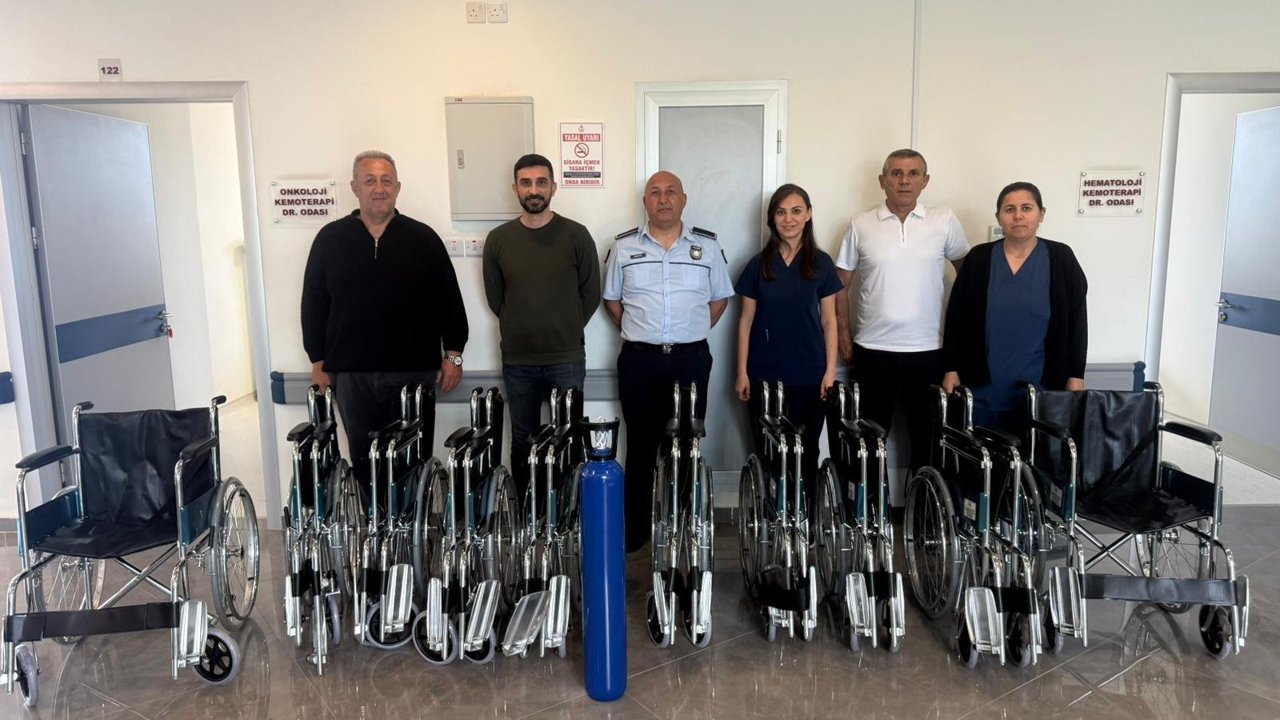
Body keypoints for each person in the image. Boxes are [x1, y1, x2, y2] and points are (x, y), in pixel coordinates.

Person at [301, 149, 468, 492]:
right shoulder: (330, 240)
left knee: (413, 465)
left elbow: (450, 300)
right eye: (370, 181)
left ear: (397, 188)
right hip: (352, 376)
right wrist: (317, 360)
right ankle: (374, 525)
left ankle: (413, 527)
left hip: (414, 373)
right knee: (366, 466)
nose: (379, 188)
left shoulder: (423, 239)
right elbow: (313, 305)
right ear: (355, 187)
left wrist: (454, 354)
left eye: (386, 181)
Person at [602, 171, 734, 554]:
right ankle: (637, 533)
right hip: (639, 361)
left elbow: (719, 299)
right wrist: (640, 332)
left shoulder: (707, 247)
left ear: (683, 199)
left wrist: (688, 333)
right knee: (641, 446)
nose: (663, 199)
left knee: (687, 444)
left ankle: (684, 527)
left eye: (671, 192)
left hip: (690, 360)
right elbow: (612, 301)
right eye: (655, 193)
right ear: (645, 201)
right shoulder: (624, 247)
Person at [834, 149, 969, 475]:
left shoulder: (944, 220)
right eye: (896, 173)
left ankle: (922, 507)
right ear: (883, 181)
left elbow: (968, 279)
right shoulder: (860, 223)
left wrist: (957, 339)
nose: (904, 180)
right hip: (872, 351)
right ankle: (870, 507)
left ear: (925, 181)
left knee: (928, 442)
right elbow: (839, 285)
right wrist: (844, 334)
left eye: (913, 173)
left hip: (929, 352)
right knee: (868, 443)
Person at [483, 154, 601, 492]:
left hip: (566, 358)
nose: (533, 190)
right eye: (526, 183)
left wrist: (566, 326)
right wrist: (523, 323)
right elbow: (496, 299)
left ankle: (565, 512)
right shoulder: (498, 239)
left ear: (553, 187)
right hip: (518, 361)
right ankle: (526, 513)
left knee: (569, 438)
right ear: (515, 189)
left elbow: (591, 293)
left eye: (541, 182)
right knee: (523, 441)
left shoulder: (577, 235)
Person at [942, 181, 1088, 430]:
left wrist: (1076, 375)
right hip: (983, 386)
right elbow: (956, 317)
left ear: (1041, 214)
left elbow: (1077, 321)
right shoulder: (979, 258)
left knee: (1034, 451)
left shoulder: (1061, 258)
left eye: (1026, 208)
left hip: (1042, 386)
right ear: (999, 216)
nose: (1018, 216)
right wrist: (951, 368)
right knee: (982, 451)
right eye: (1009, 209)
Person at [735, 183, 841, 485]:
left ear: (808, 214)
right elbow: (745, 321)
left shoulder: (821, 263)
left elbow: (829, 321)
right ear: (772, 218)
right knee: (769, 455)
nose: (788, 219)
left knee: (806, 455)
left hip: (810, 376)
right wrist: (742, 373)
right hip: (765, 375)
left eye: (796, 211)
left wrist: (830, 373)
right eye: (781, 212)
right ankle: (772, 513)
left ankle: (804, 514)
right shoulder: (758, 265)